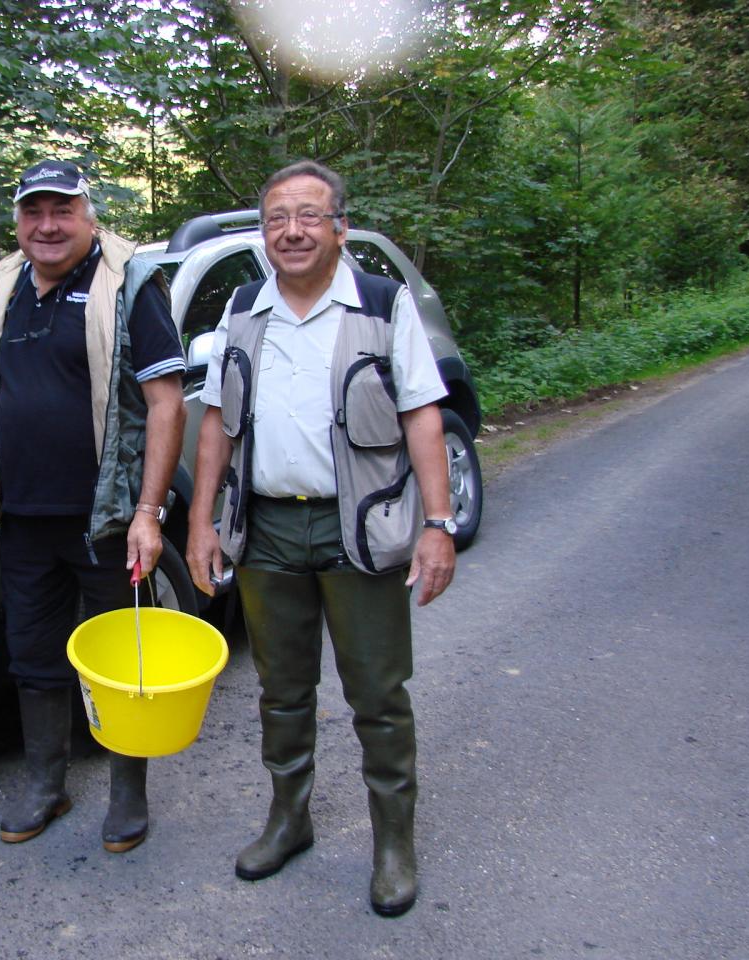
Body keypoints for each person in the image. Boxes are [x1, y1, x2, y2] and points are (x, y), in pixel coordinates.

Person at [186, 160, 456, 916]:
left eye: (309, 215)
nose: (292, 230)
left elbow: (422, 415)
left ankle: (394, 842)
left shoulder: (379, 302)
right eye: (276, 218)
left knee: (377, 693)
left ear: (339, 226)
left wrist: (437, 526)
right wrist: (203, 518)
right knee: (281, 691)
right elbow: (216, 421)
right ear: (262, 232)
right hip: (267, 528)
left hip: (358, 528)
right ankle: (289, 818)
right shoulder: (243, 306)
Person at [0, 159, 186, 852]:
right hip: (25, 519)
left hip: (108, 520)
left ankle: (129, 796)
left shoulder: (128, 283)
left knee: (122, 664)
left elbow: (165, 402)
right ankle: (48, 785)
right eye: (33, 212)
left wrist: (149, 514)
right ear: (17, 222)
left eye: (61, 210)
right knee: (33, 657)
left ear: (87, 215)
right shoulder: (0, 287)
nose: (47, 225)